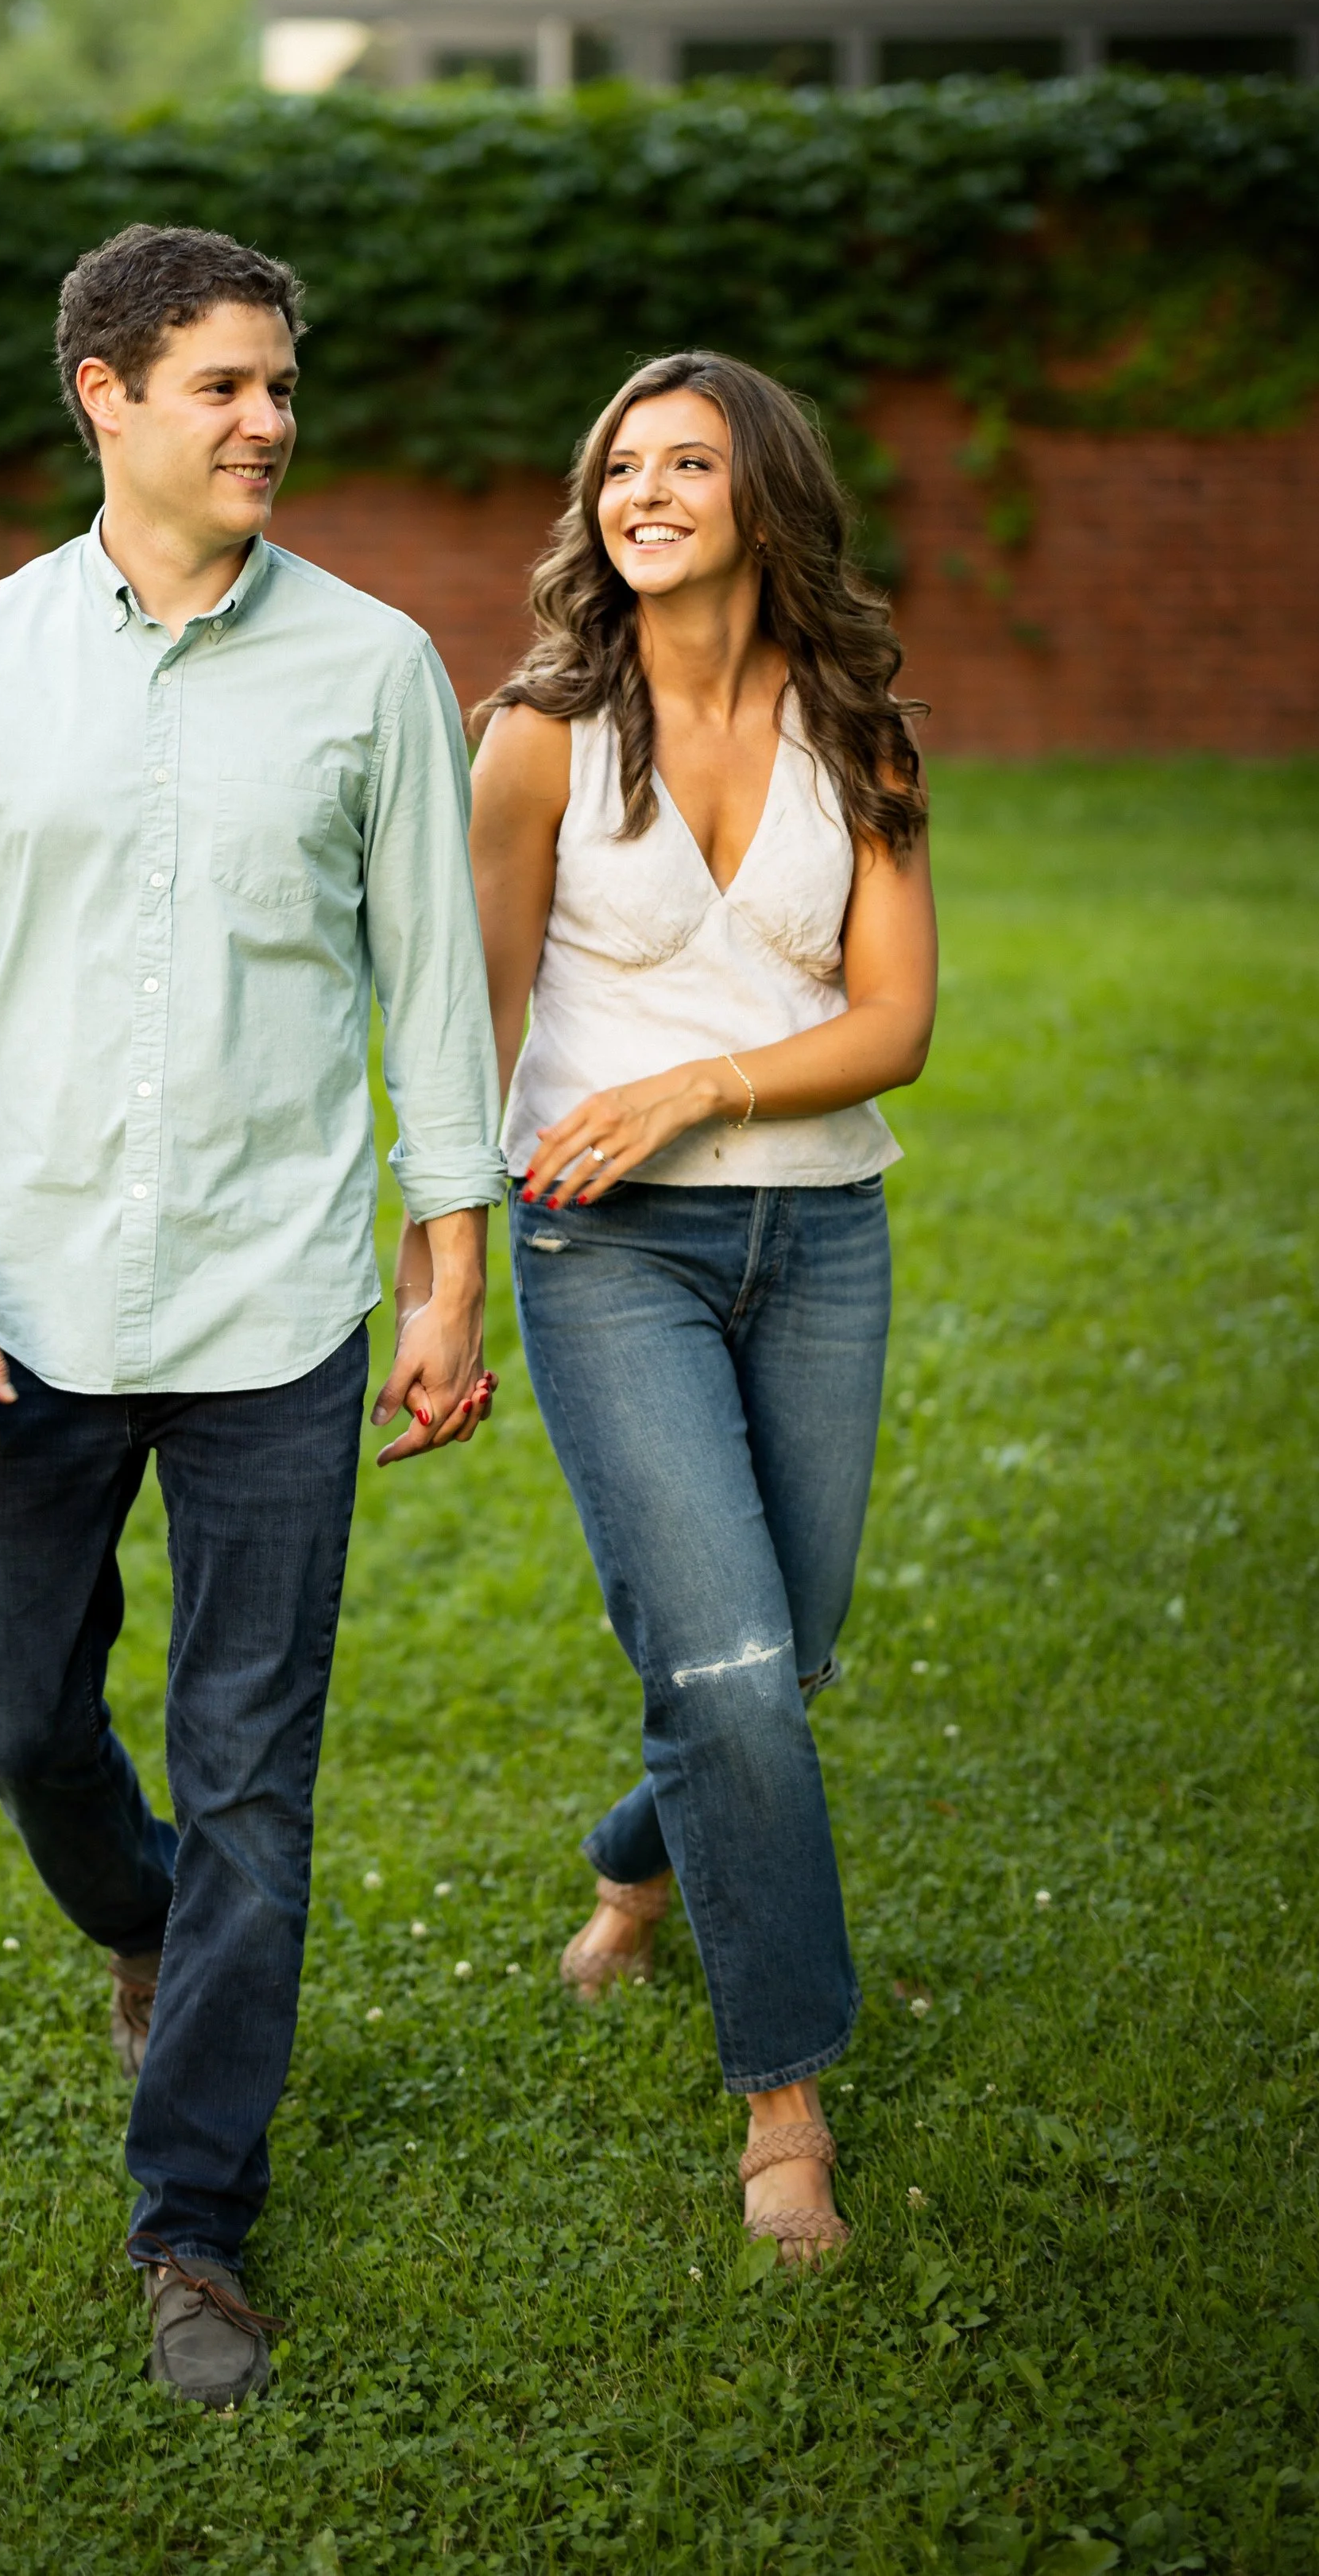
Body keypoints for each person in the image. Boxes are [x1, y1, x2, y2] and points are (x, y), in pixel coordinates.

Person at [0, 223, 504, 2404]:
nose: (268, 421)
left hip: (275, 1311)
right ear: (101, 394)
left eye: (282, 384)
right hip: (16, 1302)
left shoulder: (379, 665)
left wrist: (445, 1264)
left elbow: (431, 991)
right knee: (16, 1718)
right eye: (222, 384)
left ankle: (190, 2219)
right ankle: (137, 1915)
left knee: (256, 1776)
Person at [459, 349, 936, 2264]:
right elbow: (472, 1025)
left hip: (819, 1238)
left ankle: (633, 1874)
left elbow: (894, 1020)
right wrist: (441, 1276)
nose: (641, 487)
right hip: (610, 1252)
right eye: (617, 464)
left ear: (766, 495)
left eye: (685, 458)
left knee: (781, 1656)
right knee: (730, 1671)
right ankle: (786, 2105)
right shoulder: (535, 734)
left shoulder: (863, 732)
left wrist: (698, 1080)